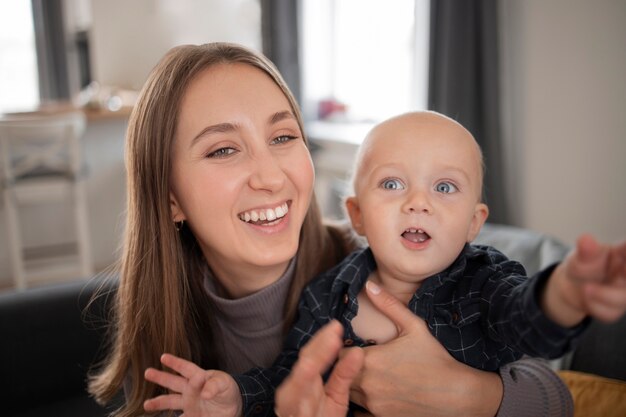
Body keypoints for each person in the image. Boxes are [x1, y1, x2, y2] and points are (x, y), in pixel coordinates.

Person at [87, 42, 576, 417]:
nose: (271, 176)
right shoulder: (164, 344)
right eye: (223, 150)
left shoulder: (383, 263)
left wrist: (464, 395)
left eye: (283, 137)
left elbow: (557, 395)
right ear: (171, 198)